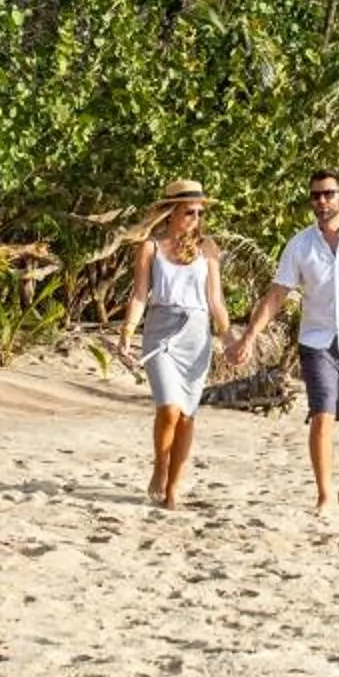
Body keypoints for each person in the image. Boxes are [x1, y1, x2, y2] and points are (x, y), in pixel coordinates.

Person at [228, 168, 339, 511]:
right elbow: (278, 294)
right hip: (317, 341)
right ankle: (323, 494)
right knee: (321, 414)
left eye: (328, 194)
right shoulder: (300, 244)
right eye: (316, 196)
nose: (322, 201)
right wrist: (249, 335)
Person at [118, 179, 230, 508]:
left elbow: (216, 301)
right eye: (188, 212)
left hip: (196, 333)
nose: (194, 218)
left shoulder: (208, 248)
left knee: (187, 415)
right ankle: (160, 464)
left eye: (198, 212)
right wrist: (126, 332)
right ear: (170, 213)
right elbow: (140, 293)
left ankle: (174, 487)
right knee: (169, 407)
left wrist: (232, 339)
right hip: (161, 329)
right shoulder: (151, 247)